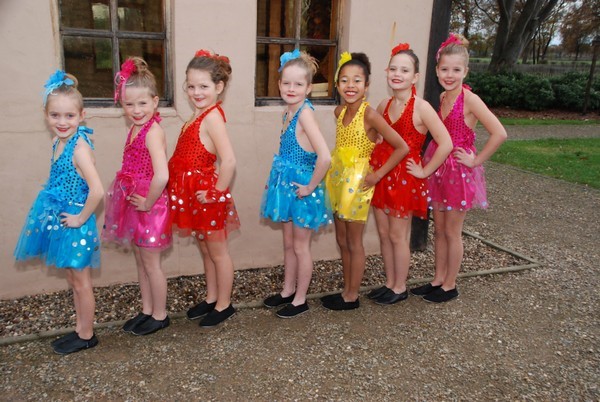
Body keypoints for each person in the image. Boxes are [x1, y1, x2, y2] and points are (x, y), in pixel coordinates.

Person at [412, 34, 507, 303]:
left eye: (456, 70)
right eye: (445, 69)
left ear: (465, 71)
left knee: (453, 232)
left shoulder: (470, 100)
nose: (449, 75)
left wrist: (476, 161)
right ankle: (437, 279)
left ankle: (450, 285)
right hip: (439, 168)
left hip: (458, 172)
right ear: (436, 71)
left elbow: (500, 133)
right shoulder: (443, 97)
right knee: (439, 229)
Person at [14, 70, 104, 354]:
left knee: (82, 281)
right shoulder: (58, 142)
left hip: (76, 223)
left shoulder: (79, 148)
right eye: (55, 115)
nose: (62, 122)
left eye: (69, 116)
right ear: (46, 115)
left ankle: (87, 334)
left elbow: (97, 190)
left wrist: (80, 218)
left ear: (82, 116)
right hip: (62, 220)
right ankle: (80, 328)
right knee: (72, 278)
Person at [322, 52, 409, 310]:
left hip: (358, 184)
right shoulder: (339, 112)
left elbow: (401, 147)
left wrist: (378, 175)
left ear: (367, 85)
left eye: (357, 81)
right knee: (342, 240)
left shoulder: (369, 115)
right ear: (337, 85)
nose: (350, 86)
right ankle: (346, 289)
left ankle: (352, 296)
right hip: (337, 179)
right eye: (344, 80)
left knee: (354, 240)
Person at [368, 43, 453, 305]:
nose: (397, 74)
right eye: (393, 69)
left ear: (415, 77)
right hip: (382, 174)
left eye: (404, 70)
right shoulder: (383, 104)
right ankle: (389, 282)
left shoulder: (421, 107)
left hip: (404, 179)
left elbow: (446, 143)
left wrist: (425, 170)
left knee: (397, 235)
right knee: (384, 234)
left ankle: (400, 286)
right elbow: (377, 135)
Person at [168, 49, 240, 327]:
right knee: (206, 250)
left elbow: (229, 160)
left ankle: (224, 304)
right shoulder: (197, 115)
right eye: (191, 86)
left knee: (218, 252)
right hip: (194, 197)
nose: (196, 92)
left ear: (218, 87)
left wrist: (214, 193)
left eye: (203, 86)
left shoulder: (212, 117)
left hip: (207, 196)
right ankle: (212, 297)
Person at [260, 49, 332, 318]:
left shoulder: (304, 114)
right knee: (289, 244)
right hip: (287, 186)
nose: (291, 89)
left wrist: (311, 187)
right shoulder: (288, 112)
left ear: (309, 88)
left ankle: (300, 299)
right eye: (287, 83)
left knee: (301, 247)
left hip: (302, 189)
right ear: (279, 84)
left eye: (298, 84)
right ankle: (287, 290)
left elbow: (325, 156)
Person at [102, 57, 172, 335]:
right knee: (141, 261)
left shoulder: (153, 132)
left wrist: (148, 202)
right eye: (129, 104)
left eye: (142, 103)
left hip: (151, 206)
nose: (136, 110)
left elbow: (162, 175)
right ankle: (146, 309)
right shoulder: (135, 128)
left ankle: (161, 315)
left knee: (152, 264)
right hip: (135, 203)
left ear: (154, 102)